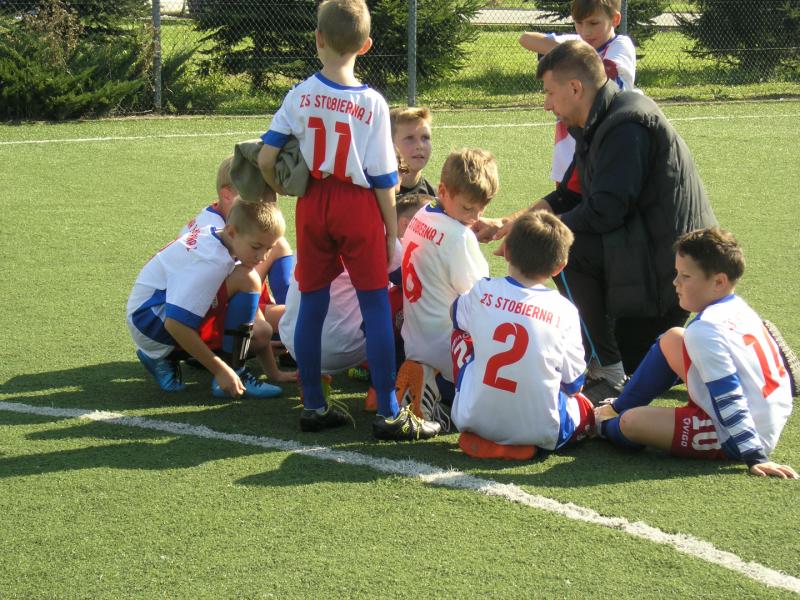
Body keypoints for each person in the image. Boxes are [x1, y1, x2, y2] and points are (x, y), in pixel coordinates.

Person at [474, 40, 717, 396]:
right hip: (647, 257)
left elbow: (605, 212)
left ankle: (608, 371)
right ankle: (615, 359)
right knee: (644, 360)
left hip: (668, 272)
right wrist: (511, 223)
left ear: (575, 88)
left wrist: (535, 236)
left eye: (549, 93)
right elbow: (569, 193)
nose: (547, 104)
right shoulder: (602, 119)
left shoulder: (625, 125)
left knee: (561, 248)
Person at [257, 0, 441, 440]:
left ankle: (313, 404)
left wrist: (281, 186)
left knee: (311, 302)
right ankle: (389, 411)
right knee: (374, 304)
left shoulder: (299, 94)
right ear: (366, 45)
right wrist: (390, 231)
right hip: (358, 204)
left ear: (318, 38)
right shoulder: (372, 102)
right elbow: (384, 177)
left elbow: (266, 156)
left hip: (314, 199)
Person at [594, 228, 797, 479]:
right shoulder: (737, 307)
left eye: (686, 276)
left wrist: (755, 456)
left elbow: (728, 396)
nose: (675, 282)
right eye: (677, 273)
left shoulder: (705, 330)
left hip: (736, 435)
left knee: (631, 422)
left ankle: (599, 424)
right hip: (764, 413)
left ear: (719, 282)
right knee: (673, 338)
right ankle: (618, 406)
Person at [451, 211, 593, 460]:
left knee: (461, 336)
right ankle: (519, 442)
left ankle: (486, 428)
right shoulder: (565, 310)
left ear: (505, 251)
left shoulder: (483, 290)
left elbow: (456, 316)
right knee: (584, 408)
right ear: (560, 267)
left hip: (471, 419)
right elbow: (573, 383)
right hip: (540, 431)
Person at [127, 200, 289, 398]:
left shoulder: (218, 236)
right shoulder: (211, 261)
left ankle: (162, 357)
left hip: (148, 316)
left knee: (261, 332)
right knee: (247, 279)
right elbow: (175, 324)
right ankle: (228, 369)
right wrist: (220, 370)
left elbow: (255, 318)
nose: (262, 257)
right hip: (153, 326)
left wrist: (274, 372)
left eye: (269, 248)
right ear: (231, 232)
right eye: (256, 247)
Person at [397, 149, 498, 426]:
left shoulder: (422, 214)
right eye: (468, 208)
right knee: (498, 396)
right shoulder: (460, 237)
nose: (475, 216)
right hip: (448, 352)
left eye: (481, 208)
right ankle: (437, 396)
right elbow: (479, 299)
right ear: (442, 191)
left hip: (416, 341)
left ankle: (422, 379)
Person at [518, 0, 636, 186]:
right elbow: (525, 39)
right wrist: (570, 52)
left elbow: (604, 80)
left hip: (603, 149)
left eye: (593, 23)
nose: (585, 31)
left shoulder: (621, 45)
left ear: (615, 19)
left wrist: (575, 55)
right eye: (579, 23)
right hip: (567, 153)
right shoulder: (577, 43)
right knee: (564, 200)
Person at [182, 155, 296, 308]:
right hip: (213, 308)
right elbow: (238, 283)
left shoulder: (215, 215)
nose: (262, 205)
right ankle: (290, 309)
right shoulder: (224, 233)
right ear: (227, 195)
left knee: (274, 242)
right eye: (252, 197)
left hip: (214, 296)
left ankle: (288, 304)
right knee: (288, 318)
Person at [390, 106, 436, 197]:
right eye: (410, 138)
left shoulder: (433, 197)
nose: (420, 146)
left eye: (425, 138)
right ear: (390, 144)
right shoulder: (375, 197)